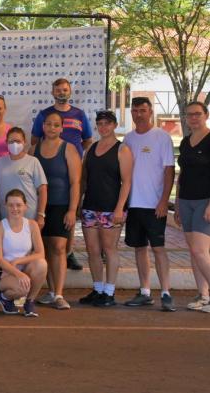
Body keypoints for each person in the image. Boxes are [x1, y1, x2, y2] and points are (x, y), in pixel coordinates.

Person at [31, 78, 93, 271]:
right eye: (58, 89)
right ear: (52, 92)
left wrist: (74, 155)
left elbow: (88, 140)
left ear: (70, 91)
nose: (61, 92)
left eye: (65, 89)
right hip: (48, 169)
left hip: (71, 169)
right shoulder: (44, 115)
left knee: (70, 212)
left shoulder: (79, 114)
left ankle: (69, 251)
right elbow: (34, 140)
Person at [176, 102, 210, 313]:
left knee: (200, 250)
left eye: (197, 114)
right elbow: (183, 175)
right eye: (189, 115)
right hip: (186, 201)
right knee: (193, 251)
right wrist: (178, 204)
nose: (193, 118)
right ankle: (203, 295)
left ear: (206, 115)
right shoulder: (185, 141)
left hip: (207, 201)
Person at [123, 97, 176, 312]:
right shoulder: (128, 139)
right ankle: (145, 292)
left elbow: (169, 171)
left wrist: (164, 201)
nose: (138, 114)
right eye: (135, 110)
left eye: (142, 110)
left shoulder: (162, 138)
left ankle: (166, 293)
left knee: (159, 249)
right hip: (134, 205)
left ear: (150, 112)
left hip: (155, 206)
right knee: (139, 249)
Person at [78, 110, 132, 307]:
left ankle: (109, 292)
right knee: (92, 250)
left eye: (107, 123)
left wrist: (119, 208)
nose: (103, 127)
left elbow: (126, 182)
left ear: (115, 125)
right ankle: (98, 289)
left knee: (109, 250)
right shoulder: (91, 149)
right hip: (90, 206)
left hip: (111, 208)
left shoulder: (122, 150)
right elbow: (84, 179)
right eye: (100, 124)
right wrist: (78, 203)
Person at [31, 112, 81, 310]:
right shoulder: (33, 149)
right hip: (39, 207)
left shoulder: (68, 149)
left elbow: (75, 182)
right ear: (43, 127)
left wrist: (72, 210)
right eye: (48, 124)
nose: (52, 128)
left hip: (61, 206)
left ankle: (59, 294)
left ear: (62, 128)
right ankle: (50, 292)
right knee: (43, 250)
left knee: (59, 248)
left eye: (56, 125)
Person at [0, 189, 47, 317]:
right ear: (5, 206)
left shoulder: (32, 225)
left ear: (25, 206)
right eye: (11, 205)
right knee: (22, 288)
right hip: (4, 272)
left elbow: (40, 253)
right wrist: (17, 273)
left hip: (24, 268)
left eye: (18, 205)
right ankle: (4, 298)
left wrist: (18, 262)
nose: (15, 208)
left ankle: (30, 302)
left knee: (41, 264)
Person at [0, 127, 48, 225]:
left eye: (18, 141)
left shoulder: (33, 161)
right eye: (11, 141)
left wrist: (40, 214)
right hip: (6, 216)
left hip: (29, 215)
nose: (15, 144)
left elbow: (42, 189)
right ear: (6, 142)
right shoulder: (0, 162)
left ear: (24, 142)